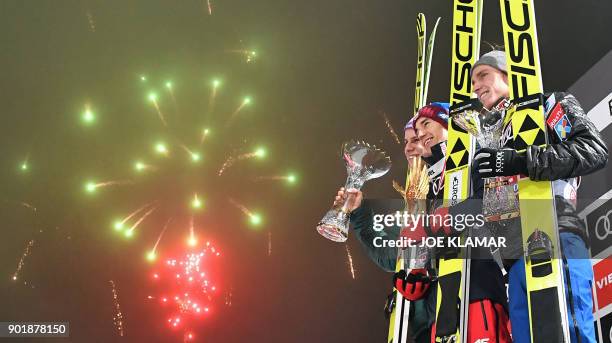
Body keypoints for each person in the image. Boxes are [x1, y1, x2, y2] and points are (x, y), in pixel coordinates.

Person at [335, 104, 511, 343]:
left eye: (418, 137)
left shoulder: (468, 165)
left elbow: (497, 206)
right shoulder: (417, 199)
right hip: (431, 321)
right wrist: (359, 215)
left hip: (475, 297)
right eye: (408, 140)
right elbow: (393, 255)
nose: (411, 146)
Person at [468, 50, 608, 343]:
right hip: (514, 258)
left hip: (556, 235)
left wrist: (523, 161)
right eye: (472, 81)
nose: (475, 86)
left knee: (570, 333)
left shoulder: (550, 105)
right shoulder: (487, 139)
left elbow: (593, 150)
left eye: (483, 75)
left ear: (509, 75)